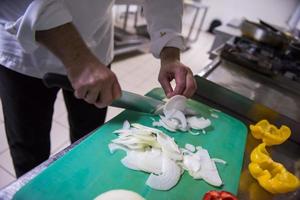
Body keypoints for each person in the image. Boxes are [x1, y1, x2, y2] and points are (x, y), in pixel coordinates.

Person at [0, 0, 197, 177]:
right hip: (23, 54)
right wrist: (78, 59)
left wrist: (170, 52)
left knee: (88, 139)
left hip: (96, 47)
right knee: (30, 153)